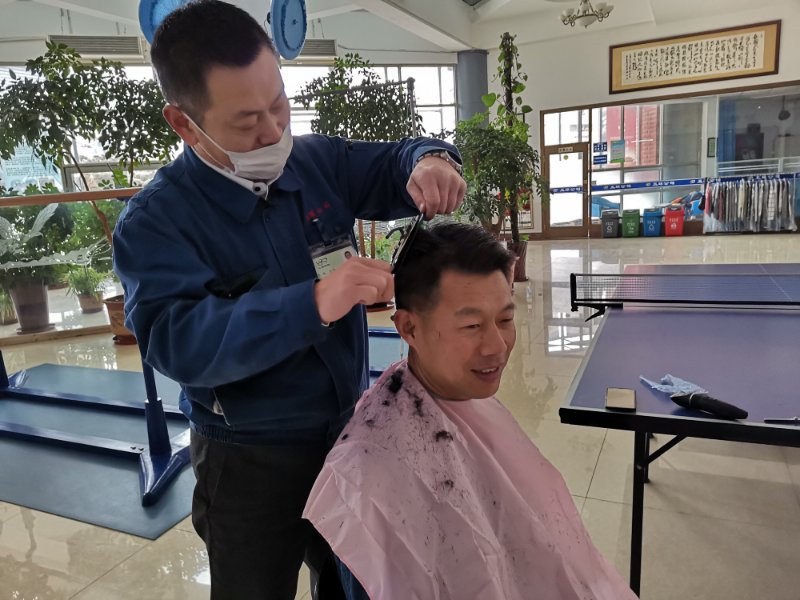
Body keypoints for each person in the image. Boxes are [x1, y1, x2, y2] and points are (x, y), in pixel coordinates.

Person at [112, 1, 466, 598]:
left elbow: (391, 161)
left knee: (356, 580)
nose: (273, 132)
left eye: (279, 104)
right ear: (184, 123)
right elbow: (177, 341)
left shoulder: (315, 161)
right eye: (246, 121)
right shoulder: (156, 222)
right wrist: (314, 302)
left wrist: (429, 160)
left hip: (347, 432)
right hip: (247, 458)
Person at [304, 223, 637, 600]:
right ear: (409, 328)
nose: (497, 345)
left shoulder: (462, 392)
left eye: (505, 319)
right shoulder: (369, 476)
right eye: (472, 325)